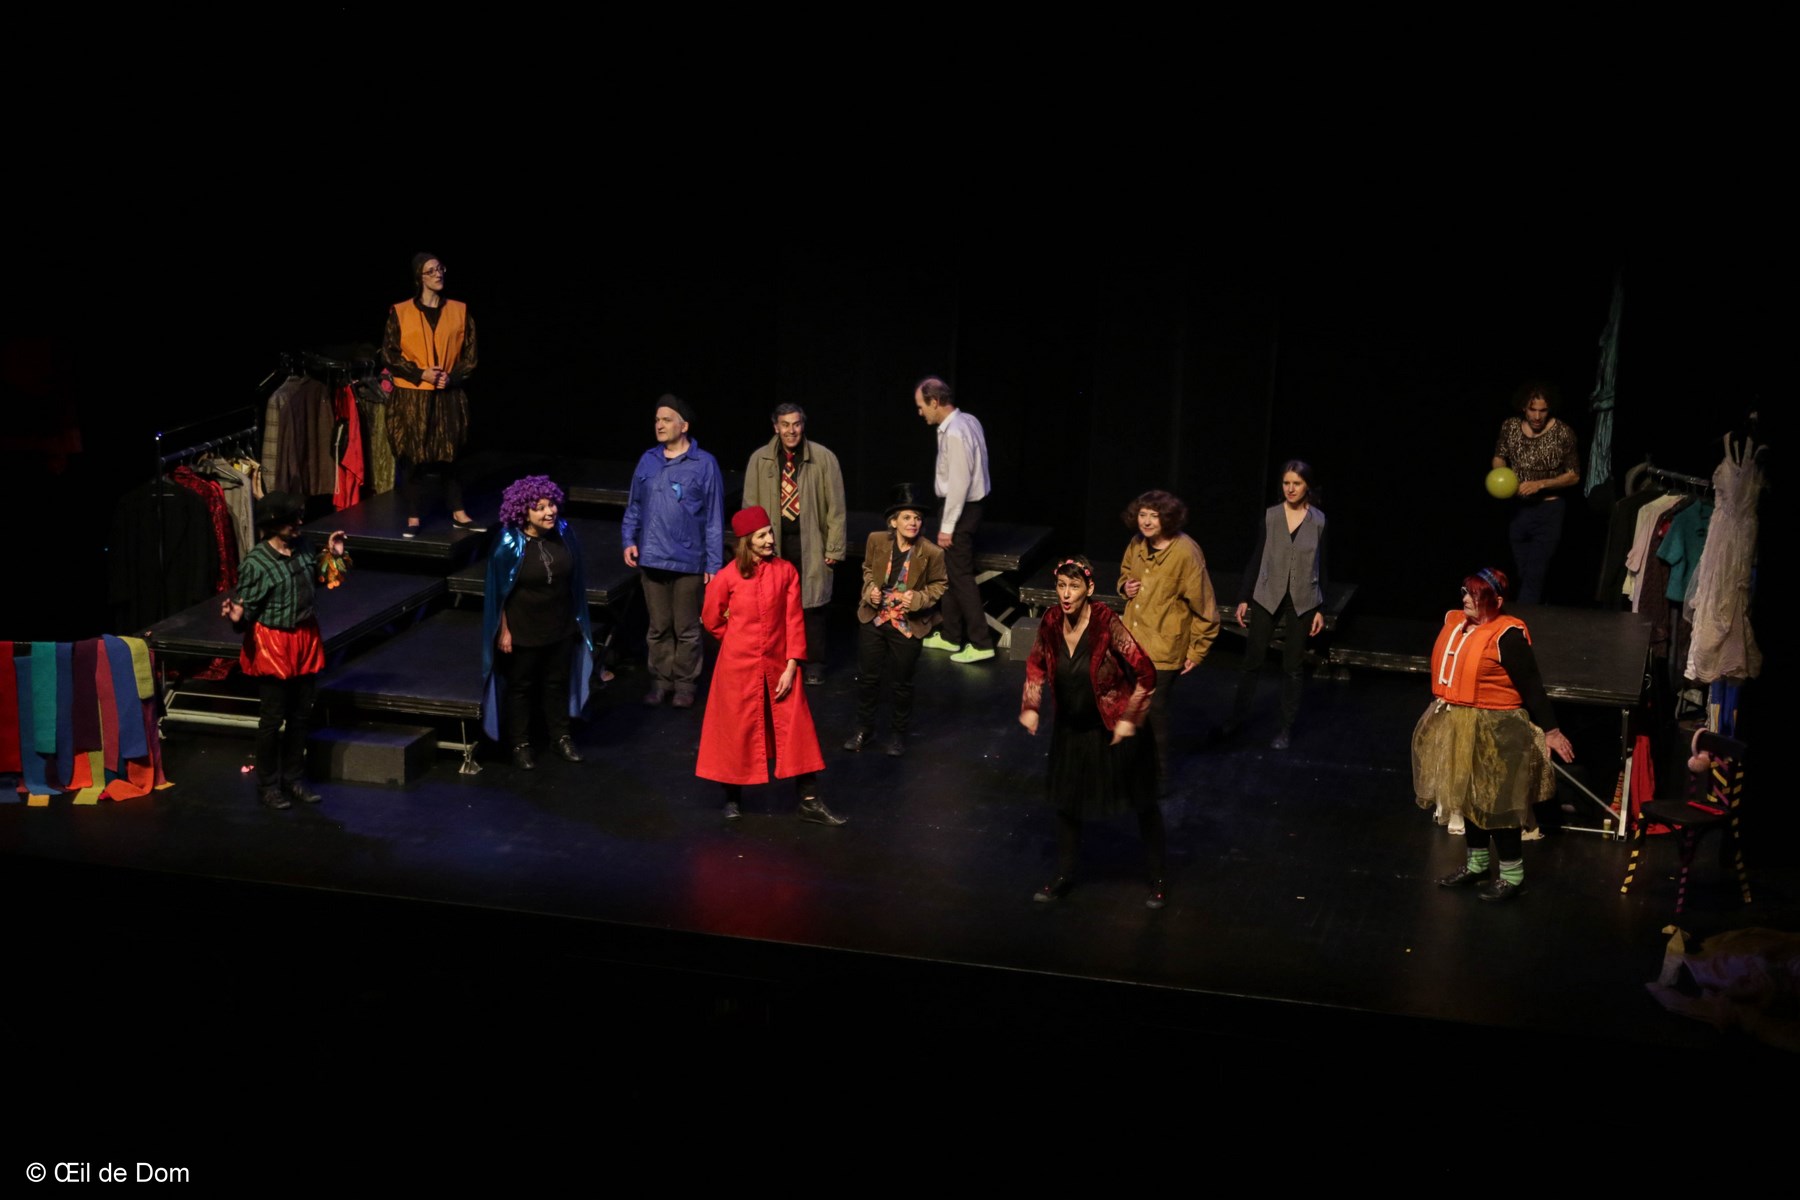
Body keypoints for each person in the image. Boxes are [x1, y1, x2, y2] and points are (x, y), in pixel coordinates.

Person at [1413, 567, 1575, 902]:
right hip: (1457, 721)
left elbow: (1532, 685)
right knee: (1467, 796)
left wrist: (1551, 730)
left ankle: (1513, 876)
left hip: (1497, 727)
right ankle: (1477, 864)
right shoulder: (1455, 623)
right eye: (1465, 592)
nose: (1466, 600)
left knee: (1498, 802)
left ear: (1496, 601)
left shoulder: (1507, 635)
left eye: (1475, 595)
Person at [1020, 555, 1165, 909]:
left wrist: (1131, 717)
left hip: (1113, 728)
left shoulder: (1105, 622)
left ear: (1089, 588)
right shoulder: (1051, 621)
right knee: (1067, 803)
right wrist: (1031, 705)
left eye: (1074, 586)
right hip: (1072, 729)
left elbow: (1146, 672)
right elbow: (1036, 663)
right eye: (1061, 586)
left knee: (1142, 802)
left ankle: (1158, 877)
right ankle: (1064, 875)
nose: (1066, 594)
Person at [696, 507, 843, 826]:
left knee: (796, 729)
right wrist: (735, 640)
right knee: (736, 730)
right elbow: (711, 618)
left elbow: (794, 620)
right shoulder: (728, 576)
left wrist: (791, 665)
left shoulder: (786, 572)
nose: (769, 540)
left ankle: (809, 801)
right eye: (761, 536)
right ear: (746, 541)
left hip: (779, 664)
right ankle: (732, 797)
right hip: (737, 667)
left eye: (770, 533)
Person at [221, 492, 349, 810]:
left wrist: (333, 556)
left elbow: (321, 579)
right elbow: (245, 610)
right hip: (273, 643)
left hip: (304, 638)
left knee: (301, 715)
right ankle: (268, 785)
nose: (299, 524)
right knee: (272, 718)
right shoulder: (257, 562)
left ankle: (293, 779)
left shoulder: (303, 546)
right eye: (292, 520)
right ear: (274, 523)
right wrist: (237, 617)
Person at [482, 475, 595, 770]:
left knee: (556, 683)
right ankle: (520, 743)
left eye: (551, 504)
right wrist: (504, 630)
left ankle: (560, 737)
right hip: (523, 627)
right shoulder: (508, 542)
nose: (549, 512)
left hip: (560, 624)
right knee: (521, 686)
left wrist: (576, 621)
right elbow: (498, 593)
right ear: (523, 511)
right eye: (540, 507)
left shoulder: (564, 533)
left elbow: (575, 580)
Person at [621, 394, 724, 709]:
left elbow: (714, 517)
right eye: (657, 420)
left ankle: (685, 684)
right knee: (658, 626)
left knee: (687, 628)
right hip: (652, 558)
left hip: (688, 561)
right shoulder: (648, 460)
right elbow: (634, 505)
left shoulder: (704, 463)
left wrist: (714, 564)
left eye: (666, 419)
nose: (659, 425)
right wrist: (628, 539)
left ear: (684, 425)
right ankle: (661, 682)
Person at [1117, 489, 1219, 783]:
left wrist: (1197, 650)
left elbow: (1206, 607)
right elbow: (1125, 573)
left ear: (1169, 518)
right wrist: (1125, 586)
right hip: (1133, 641)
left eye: (1154, 515)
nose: (1147, 521)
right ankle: (1134, 769)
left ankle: (1157, 776)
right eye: (1143, 515)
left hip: (1163, 648)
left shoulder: (1185, 553)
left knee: (1152, 710)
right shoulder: (1137, 543)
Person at [742, 403, 846, 686]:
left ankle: (813, 663)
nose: (791, 430)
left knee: (812, 604)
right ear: (775, 427)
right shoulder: (760, 459)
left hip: (811, 540)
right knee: (773, 603)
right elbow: (750, 507)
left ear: (803, 425)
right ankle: (778, 659)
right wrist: (752, 547)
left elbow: (837, 508)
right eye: (785, 425)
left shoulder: (823, 458)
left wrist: (834, 547)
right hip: (772, 543)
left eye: (796, 424)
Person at [1226, 461, 1328, 750]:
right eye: (1286, 483)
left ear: (1307, 486)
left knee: (1292, 667)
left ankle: (1285, 728)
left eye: (1297, 483)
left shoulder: (1318, 521)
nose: (1291, 489)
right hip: (1267, 594)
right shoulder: (1271, 516)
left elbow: (1323, 564)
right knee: (1252, 661)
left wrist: (1321, 608)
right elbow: (1258, 556)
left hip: (1303, 599)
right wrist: (1244, 597)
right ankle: (1236, 719)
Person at [381, 251, 483, 537]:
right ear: (419, 277)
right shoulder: (401, 312)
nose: (438, 274)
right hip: (412, 396)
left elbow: (471, 356)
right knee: (413, 455)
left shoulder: (459, 310)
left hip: (447, 394)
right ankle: (414, 515)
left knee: (451, 454)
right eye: (431, 271)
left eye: (440, 269)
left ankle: (458, 511)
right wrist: (420, 373)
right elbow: (389, 354)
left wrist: (452, 377)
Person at [846, 482, 948, 757]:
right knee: (868, 678)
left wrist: (919, 598)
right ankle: (864, 729)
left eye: (917, 518)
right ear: (893, 521)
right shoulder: (877, 541)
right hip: (875, 618)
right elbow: (868, 569)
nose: (913, 522)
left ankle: (897, 734)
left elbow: (940, 584)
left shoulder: (932, 552)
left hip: (907, 624)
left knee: (901, 682)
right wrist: (870, 589)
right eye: (907, 517)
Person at [914, 376, 995, 664]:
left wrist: (947, 527)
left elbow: (960, 483)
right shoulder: (967, 421)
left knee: (960, 577)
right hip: (967, 507)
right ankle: (951, 635)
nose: (920, 412)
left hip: (961, 509)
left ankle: (981, 643)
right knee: (950, 573)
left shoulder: (956, 432)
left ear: (935, 402)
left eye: (922, 406)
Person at [1491, 382, 1580, 605]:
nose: (1537, 416)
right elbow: (1499, 457)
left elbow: (1574, 475)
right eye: (1532, 410)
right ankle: (1536, 608)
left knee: (1534, 573)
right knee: (1523, 570)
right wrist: (1502, 476)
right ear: (1524, 407)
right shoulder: (1510, 427)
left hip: (1549, 510)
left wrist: (1540, 484)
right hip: (1518, 509)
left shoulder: (1563, 433)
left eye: (1543, 410)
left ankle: (1523, 618)